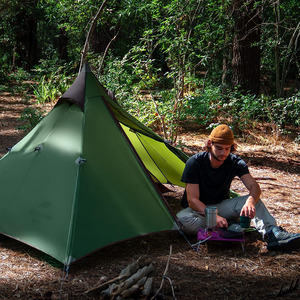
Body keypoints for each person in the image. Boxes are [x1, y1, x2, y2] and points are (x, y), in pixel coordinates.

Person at [177, 124, 300, 251]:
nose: (223, 153)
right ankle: (227, 225)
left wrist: (250, 202)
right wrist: (214, 217)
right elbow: (192, 200)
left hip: (221, 206)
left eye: (227, 149)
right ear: (210, 144)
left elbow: (254, 186)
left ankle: (274, 234)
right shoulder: (194, 163)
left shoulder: (235, 162)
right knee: (181, 221)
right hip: (198, 211)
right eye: (219, 148)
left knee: (254, 200)